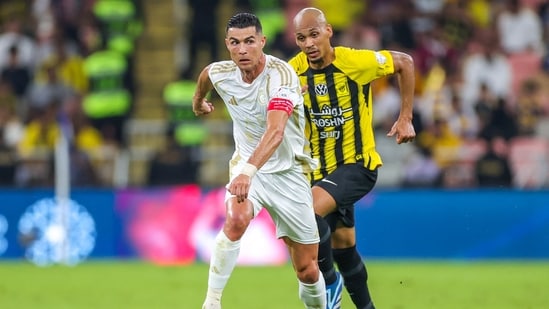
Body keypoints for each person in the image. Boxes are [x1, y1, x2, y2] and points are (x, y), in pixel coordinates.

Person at [192, 13, 326, 309]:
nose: (242, 50)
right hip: (248, 169)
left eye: (249, 42)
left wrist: (247, 173)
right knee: (236, 219)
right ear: (227, 44)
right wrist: (198, 101)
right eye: (235, 43)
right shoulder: (222, 73)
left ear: (262, 42)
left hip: (289, 173)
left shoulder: (282, 76)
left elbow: (276, 131)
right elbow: (206, 76)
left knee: (307, 269)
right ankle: (212, 302)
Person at [289, 7, 416, 309]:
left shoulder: (354, 62)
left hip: (356, 165)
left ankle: (329, 285)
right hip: (319, 172)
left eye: (314, 34)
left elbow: (405, 63)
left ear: (329, 31)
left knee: (306, 214)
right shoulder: (292, 71)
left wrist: (406, 117)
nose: (308, 43)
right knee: (344, 249)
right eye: (301, 38)